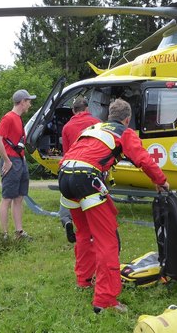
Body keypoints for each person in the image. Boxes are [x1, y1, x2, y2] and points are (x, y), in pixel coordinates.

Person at [58, 98, 169, 313]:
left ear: (109, 115)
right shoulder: (124, 133)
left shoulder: (94, 128)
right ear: (127, 119)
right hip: (86, 178)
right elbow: (143, 159)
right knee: (106, 240)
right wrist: (161, 181)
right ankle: (105, 300)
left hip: (65, 175)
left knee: (83, 234)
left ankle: (84, 280)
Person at [0, 89, 36, 240]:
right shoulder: (8, 118)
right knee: (7, 199)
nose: (30, 104)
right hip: (11, 162)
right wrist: (6, 160)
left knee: (19, 197)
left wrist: (22, 158)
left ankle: (19, 232)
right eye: (29, 101)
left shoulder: (18, 118)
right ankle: (4, 235)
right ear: (22, 102)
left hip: (19, 161)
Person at [58, 97, 101, 243]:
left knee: (67, 198)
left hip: (71, 168)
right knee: (94, 200)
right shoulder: (97, 123)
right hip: (91, 168)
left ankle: (66, 220)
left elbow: (66, 152)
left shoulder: (67, 127)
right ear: (87, 109)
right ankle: (93, 227)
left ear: (73, 111)